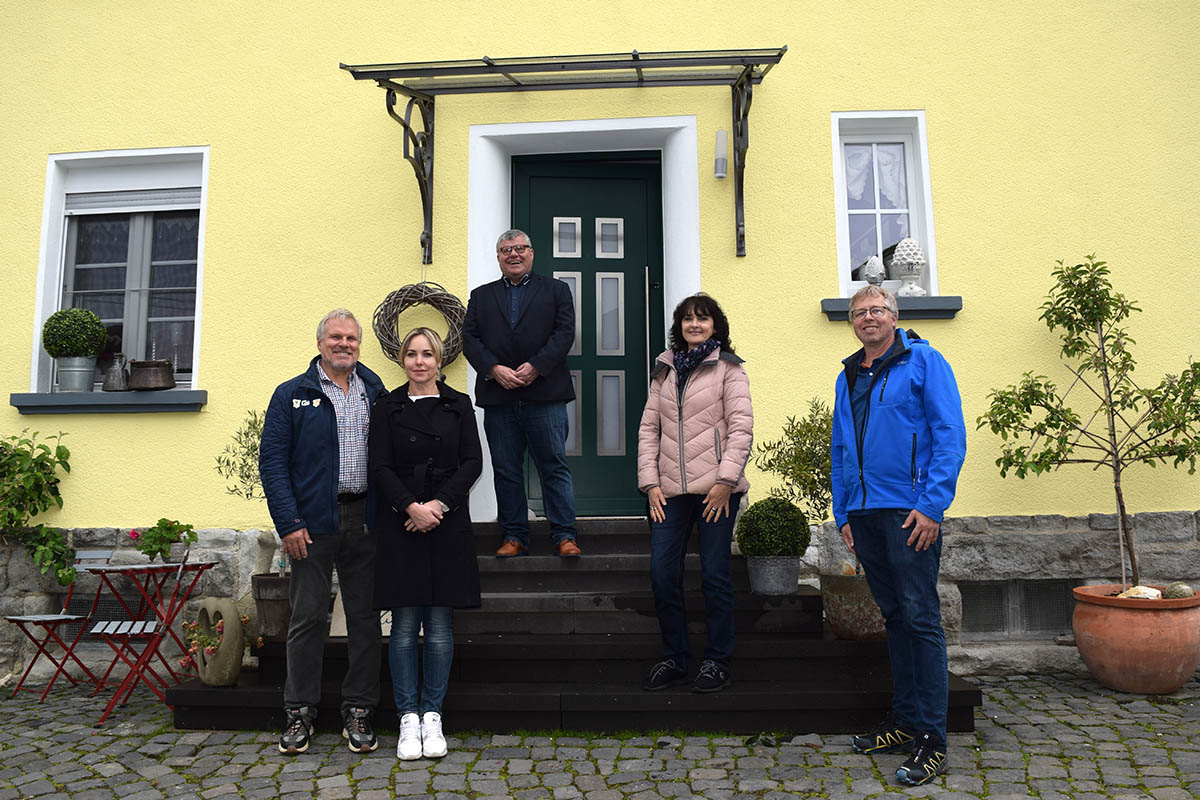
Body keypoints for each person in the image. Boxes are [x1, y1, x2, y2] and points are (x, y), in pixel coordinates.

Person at [831, 286, 966, 786]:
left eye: (877, 310)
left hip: (911, 513)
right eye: (859, 312)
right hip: (864, 514)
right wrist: (842, 512)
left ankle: (932, 739)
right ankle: (905, 721)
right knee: (894, 617)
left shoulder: (926, 362)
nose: (868, 318)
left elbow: (949, 435)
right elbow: (840, 448)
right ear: (852, 322)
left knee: (921, 618)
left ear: (894, 316)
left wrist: (932, 506)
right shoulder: (848, 374)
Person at [259, 308, 386, 755]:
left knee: (366, 620)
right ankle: (299, 713)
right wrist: (289, 522)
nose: (344, 344)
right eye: (336, 337)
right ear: (320, 344)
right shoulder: (292, 394)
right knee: (308, 617)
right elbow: (273, 464)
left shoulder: (374, 389)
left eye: (351, 338)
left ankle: (359, 709)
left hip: (364, 519)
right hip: (311, 525)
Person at [369, 327, 483, 761]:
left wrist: (437, 506)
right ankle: (407, 717)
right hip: (401, 522)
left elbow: (472, 462)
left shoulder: (459, 405)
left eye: (427, 354)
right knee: (402, 627)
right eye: (412, 354)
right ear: (402, 360)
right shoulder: (387, 406)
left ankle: (432, 714)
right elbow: (378, 465)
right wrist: (410, 507)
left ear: (440, 361)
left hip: (446, 520)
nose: (420, 361)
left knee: (438, 626)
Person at [636, 293, 753, 694]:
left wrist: (725, 482)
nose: (694, 325)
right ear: (679, 326)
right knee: (662, 574)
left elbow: (740, 430)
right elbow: (649, 430)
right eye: (687, 319)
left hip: (716, 492)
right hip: (669, 492)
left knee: (715, 576)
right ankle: (675, 657)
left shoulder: (730, 371)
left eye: (702, 319)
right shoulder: (665, 371)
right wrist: (650, 483)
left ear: (715, 326)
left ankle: (717, 660)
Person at [462, 228, 581, 558]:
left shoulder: (557, 291)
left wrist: (536, 366)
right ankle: (514, 535)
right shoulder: (481, 296)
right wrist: (493, 369)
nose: (513, 254)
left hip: (545, 395)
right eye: (505, 250)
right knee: (506, 468)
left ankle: (564, 535)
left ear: (531, 253)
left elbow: (564, 332)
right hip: (499, 397)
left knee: (553, 466)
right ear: (498, 257)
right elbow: (469, 339)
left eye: (519, 248)